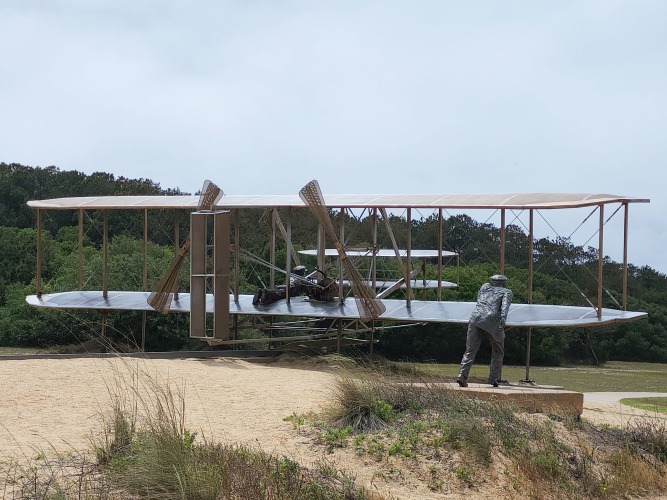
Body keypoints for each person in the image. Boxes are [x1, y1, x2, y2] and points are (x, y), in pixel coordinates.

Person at [457, 274, 513, 388]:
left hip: (475, 318)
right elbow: (505, 305)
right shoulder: (507, 292)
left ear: (492, 281)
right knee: (498, 350)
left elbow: (479, 299)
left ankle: (462, 376)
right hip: (492, 320)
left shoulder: (484, 287)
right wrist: (503, 318)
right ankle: (493, 379)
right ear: (504, 283)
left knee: (470, 350)